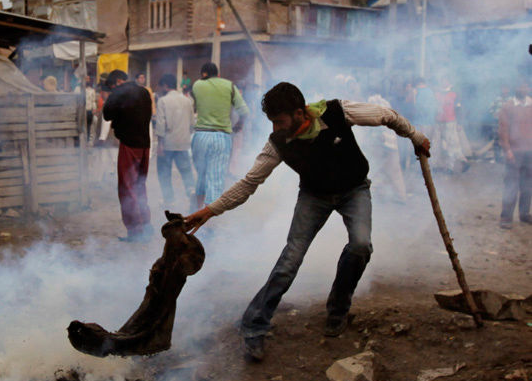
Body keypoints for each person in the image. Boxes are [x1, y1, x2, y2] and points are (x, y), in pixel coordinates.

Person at [184, 82, 430, 361]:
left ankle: (338, 311)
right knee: (290, 260)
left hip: (354, 190)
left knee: (361, 246)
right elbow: (249, 183)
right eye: (272, 122)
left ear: (301, 113)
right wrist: (211, 210)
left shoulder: (337, 111)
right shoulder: (278, 143)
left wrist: (415, 136)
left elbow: (387, 115)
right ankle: (254, 325)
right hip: (314, 196)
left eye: (280, 121)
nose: (275, 128)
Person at [103, 69, 154, 241]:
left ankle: (135, 230)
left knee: (127, 188)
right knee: (140, 186)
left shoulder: (119, 92)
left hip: (129, 145)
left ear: (117, 81)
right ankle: (146, 225)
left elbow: (106, 115)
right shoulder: (144, 91)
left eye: (111, 86)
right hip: (145, 145)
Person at [190, 63, 249, 209]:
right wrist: (239, 125)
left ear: (203, 74)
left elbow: (194, 101)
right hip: (221, 138)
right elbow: (244, 112)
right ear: (218, 74)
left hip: (200, 137)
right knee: (215, 179)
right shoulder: (229, 86)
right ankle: (208, 220)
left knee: (201, 177)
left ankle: (198, 210)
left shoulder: (197, 85)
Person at [154, 74, 196, 213]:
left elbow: (160, 124)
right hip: (183, 142)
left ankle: (169, 199)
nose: (160, 89)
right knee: (186, 170)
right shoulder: (187, 101)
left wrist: (159, 145)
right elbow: (192, 123)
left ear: (165, 86)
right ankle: (191, 192)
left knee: (164, 172)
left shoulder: (163, 101)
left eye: (161, 86)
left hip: (167, 143)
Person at [497, 80, 532, 229]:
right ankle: (506, 217)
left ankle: (524, 214)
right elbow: (503, 129)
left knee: (528, 185)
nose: (523, 89)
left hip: (530, 151)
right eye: (520, 86)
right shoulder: (508, 106)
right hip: (514, 152)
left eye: (525, 86)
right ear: (515, 88)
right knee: (511, 184)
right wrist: (507, 149)